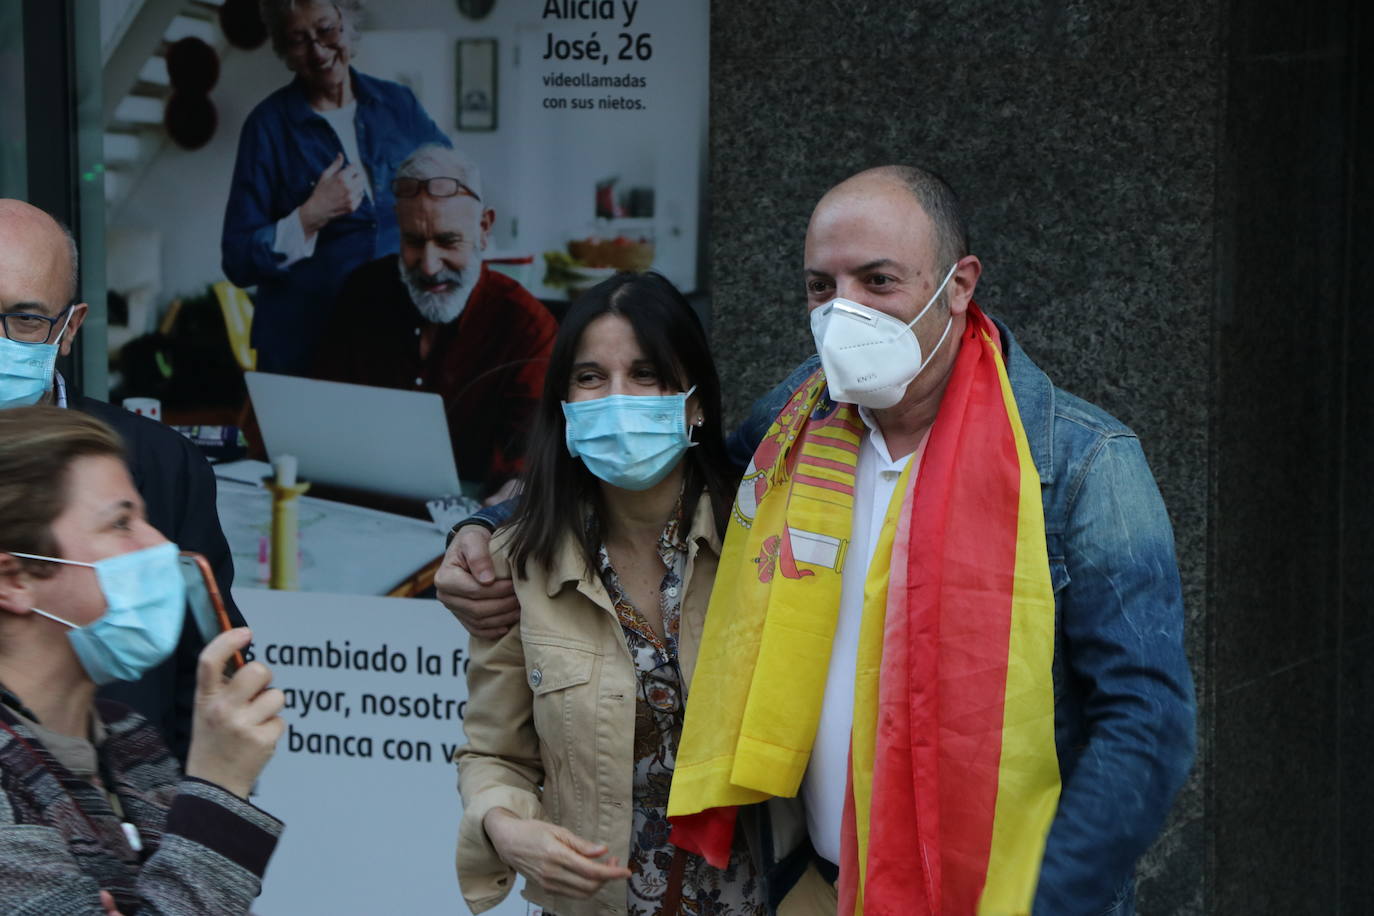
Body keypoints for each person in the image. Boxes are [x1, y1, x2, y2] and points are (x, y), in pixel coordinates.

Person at [438, 167, 1197, 914]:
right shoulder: (802, 419)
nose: (844, 314)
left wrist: (1046, 901)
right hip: (817, 889)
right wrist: (487, 527)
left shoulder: (1083, 463)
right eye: (820, 288)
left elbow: (1145, 727)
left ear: (959, 285)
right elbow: (664, 475)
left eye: (877, 281)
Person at [453, 273, 766, 916]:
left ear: (695, 401)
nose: (617, 399)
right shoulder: (520, 563)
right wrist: (508, 830)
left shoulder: (763, 541)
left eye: (646, 374)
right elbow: (493, 752)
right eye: (591, 377)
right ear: (563, 404)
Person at [0, 406, 285, 913]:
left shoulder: (126, 737)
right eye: (121, 522)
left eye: (145, 518)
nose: (161, 545)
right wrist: (219, 783)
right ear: (14, 580)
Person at [0, 198, 243, 765]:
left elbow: (205, 677)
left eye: (26, 319)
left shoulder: (158, 463)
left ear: (70, 328)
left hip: (130, 810)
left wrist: (185, 814)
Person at [313, 144, 557, 500]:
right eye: (413, 241)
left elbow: (531, 457)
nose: (428, 265)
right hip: (359, 503)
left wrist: (509, 499)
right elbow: (323, 414)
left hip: (470, 519)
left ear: (484, 228)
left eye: (448, 240)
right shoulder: (362, 294)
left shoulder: (527, 327)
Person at [221, 0, 449, 374]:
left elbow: (452, 185)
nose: (319, 51)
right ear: (284, 49)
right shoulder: (267, 126)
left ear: (348, 23)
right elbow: (237, 260)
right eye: (299, 40)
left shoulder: (398, 104)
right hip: (304, 344)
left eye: (327, 30)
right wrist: (309, 217)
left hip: (393, 334)